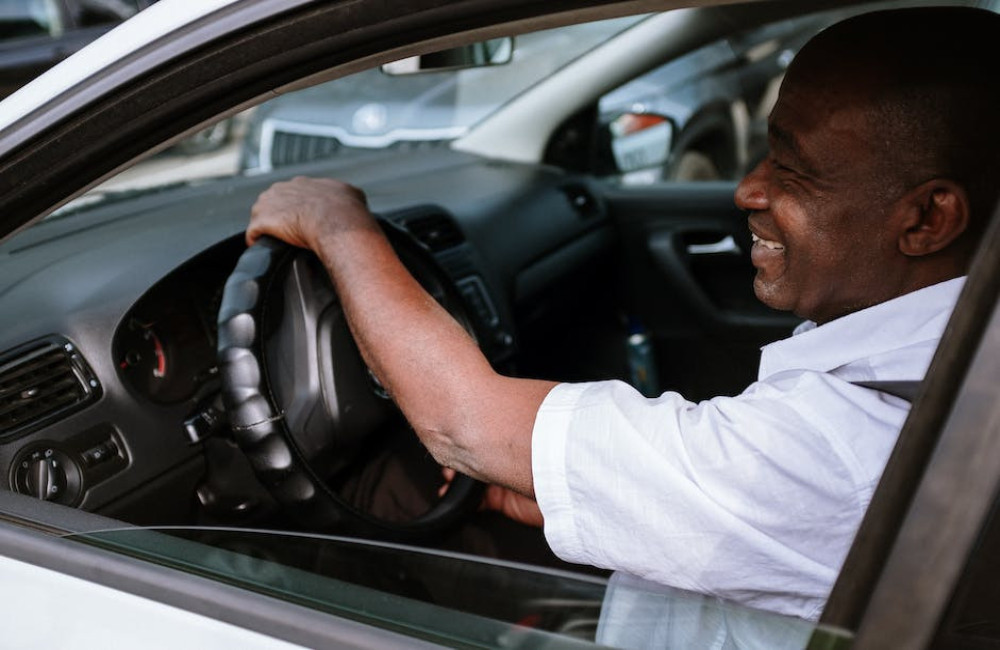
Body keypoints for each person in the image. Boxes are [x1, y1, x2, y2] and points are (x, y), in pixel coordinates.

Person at [245, 6, 1000, 625]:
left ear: (929, 219)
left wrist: (336, 225)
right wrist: (617, 503)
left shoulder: (839, 449)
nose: (747, 191)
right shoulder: (950, 375)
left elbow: (459, 424)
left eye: (792, 168)